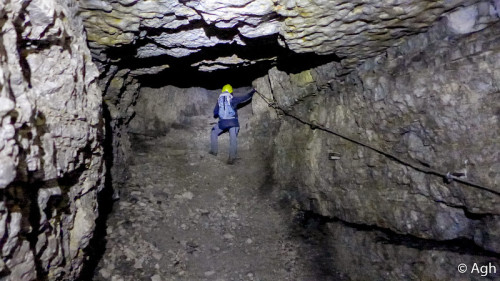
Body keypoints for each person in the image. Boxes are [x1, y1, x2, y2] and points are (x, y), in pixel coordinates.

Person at [209, 84, 256, 164]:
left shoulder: (219, 100)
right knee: (233, 137)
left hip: (222, 123)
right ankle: (232, 157)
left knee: (213, 132)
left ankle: (213, 151)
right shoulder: (232, 99)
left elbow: (215, 113)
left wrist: (220, 114)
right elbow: (244, 98)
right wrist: (253, 92)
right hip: (233, 122)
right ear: (231, 92)